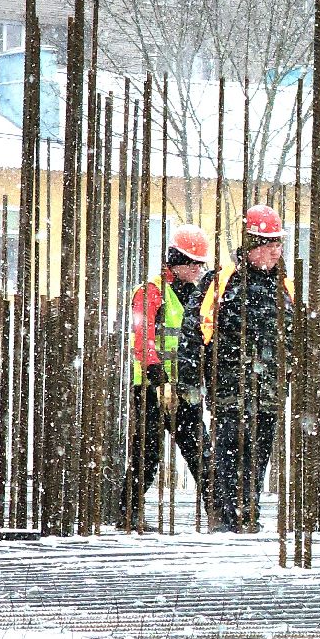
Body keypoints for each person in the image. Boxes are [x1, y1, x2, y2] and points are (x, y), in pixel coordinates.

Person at [195, 205, 294, 533]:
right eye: (267, 245)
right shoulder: (222, 282)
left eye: (277, 245)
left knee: (258, 455)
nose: (273, 252)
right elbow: (195, 333)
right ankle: (226, 516)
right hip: (229, 388)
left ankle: (247, 513)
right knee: (228, 452)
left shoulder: (287, 289)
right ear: (250, 246)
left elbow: (298, 341)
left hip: (268, 392)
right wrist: (190, 377)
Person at [124, 224, 215, 530]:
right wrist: (155, 371)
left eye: (200, 264)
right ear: (177, 262)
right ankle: (129, 512)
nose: (198, 269)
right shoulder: (151, 292)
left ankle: (217, 511)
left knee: (200, 450)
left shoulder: (198, 295)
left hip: (185, 386)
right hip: (151, 387)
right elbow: (142, 335)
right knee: (147, 452)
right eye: (193, 264)